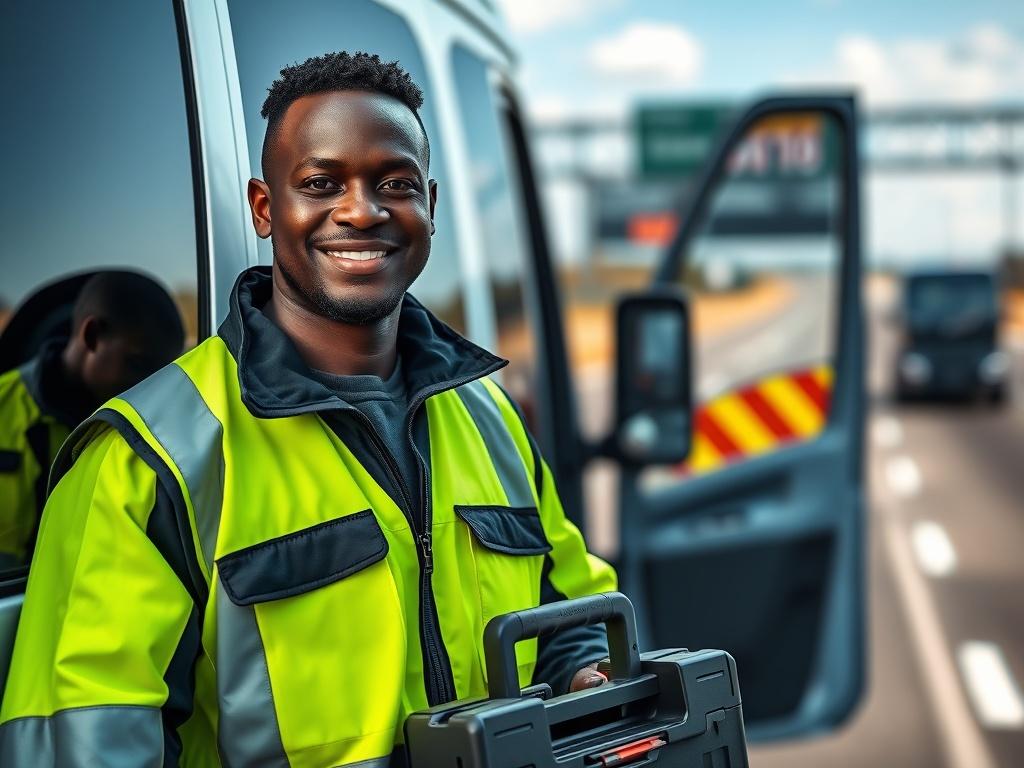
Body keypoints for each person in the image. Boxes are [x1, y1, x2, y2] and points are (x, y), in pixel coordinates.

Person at [0, 52, 616, 766]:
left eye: (395, 183)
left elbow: (573, 609)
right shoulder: (145, 458)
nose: (362, 210)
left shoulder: (490, 416)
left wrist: (582, 674)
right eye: (322, 183)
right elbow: (88, 743)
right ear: (267, 208)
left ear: (431, 206)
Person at [0, 271, 185, 568]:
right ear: (92, 336)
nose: (149, 386)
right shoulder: (4, 406)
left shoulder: (155, 434)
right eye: (137, 363)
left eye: (160, 374)